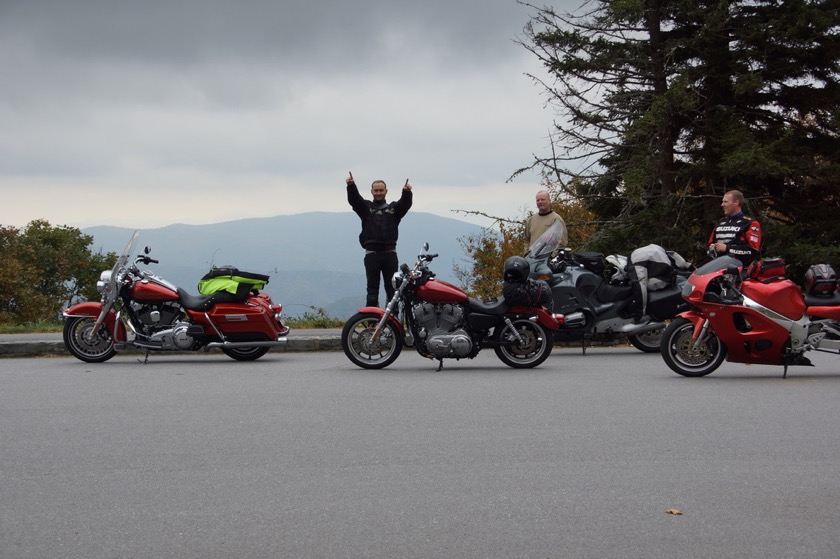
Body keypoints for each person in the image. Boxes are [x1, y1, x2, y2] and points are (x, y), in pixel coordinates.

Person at [346, 173, 413, 307]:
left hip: (390, 254)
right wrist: (351, 186)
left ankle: (393, 320)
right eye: (376, 190)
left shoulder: (394, 209)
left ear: (386, 191)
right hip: (372, 255)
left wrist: (406, 192)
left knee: (392, 290)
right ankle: (372, 322)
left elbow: (405, 205)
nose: (378, 193)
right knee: (372, 290)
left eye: (381, 190)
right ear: (371, 192)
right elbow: (355, 200)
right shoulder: (365, 208)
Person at [708, 189, 762, 266]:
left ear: (736, 202)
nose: (722, 205)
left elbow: (753, 250)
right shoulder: (720, 222)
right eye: (723, 202)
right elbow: (710, 243)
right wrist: (712, 248)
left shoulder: (750, 223)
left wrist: (728, 248)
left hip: (741, 269)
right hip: (719, 268)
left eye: (725, 202)